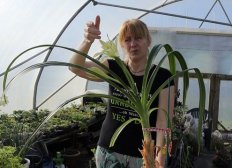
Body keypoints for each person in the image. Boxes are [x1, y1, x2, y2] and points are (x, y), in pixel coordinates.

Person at [69, 15, 175, 168]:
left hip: (142, 157)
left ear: (148, 41)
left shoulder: (163, 77)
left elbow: (163, 122)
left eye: (138, 38)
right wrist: (87, 41)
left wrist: (160, 159)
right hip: (108, 152)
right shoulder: (113, 68)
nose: (133, 44)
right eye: (127, 40)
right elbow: (74, 67)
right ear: (122, 45)